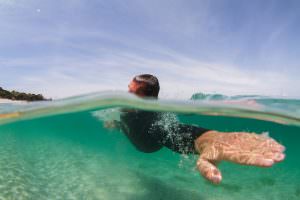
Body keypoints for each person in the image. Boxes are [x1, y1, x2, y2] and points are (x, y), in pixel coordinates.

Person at [105, 74, 285, 184]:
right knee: (120, 126)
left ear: (147, 100)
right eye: (127, 89)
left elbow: (174, 131)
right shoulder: (124, 108)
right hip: (130, 132)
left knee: (161, 128)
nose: (125, 96)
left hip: (148, 144)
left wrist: (210, 140)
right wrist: (116, 125)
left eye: (132, 93)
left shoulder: (154, 122)